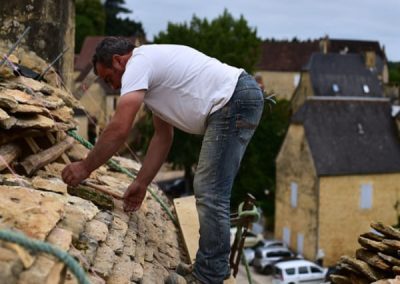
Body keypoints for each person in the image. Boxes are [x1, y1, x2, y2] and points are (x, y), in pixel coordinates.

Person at [61, 37, 264, 284]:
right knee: (210, 189)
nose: (112, 87)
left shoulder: (138, 63)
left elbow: (119, 128)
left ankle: (209, 275)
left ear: (118, 61)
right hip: (236, 98)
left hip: (233, 101)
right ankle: (209, 265)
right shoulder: (151, 73)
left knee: (210, 191)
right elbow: (163, 136)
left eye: (108, 78)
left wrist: (85, 167)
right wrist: (141, 183)